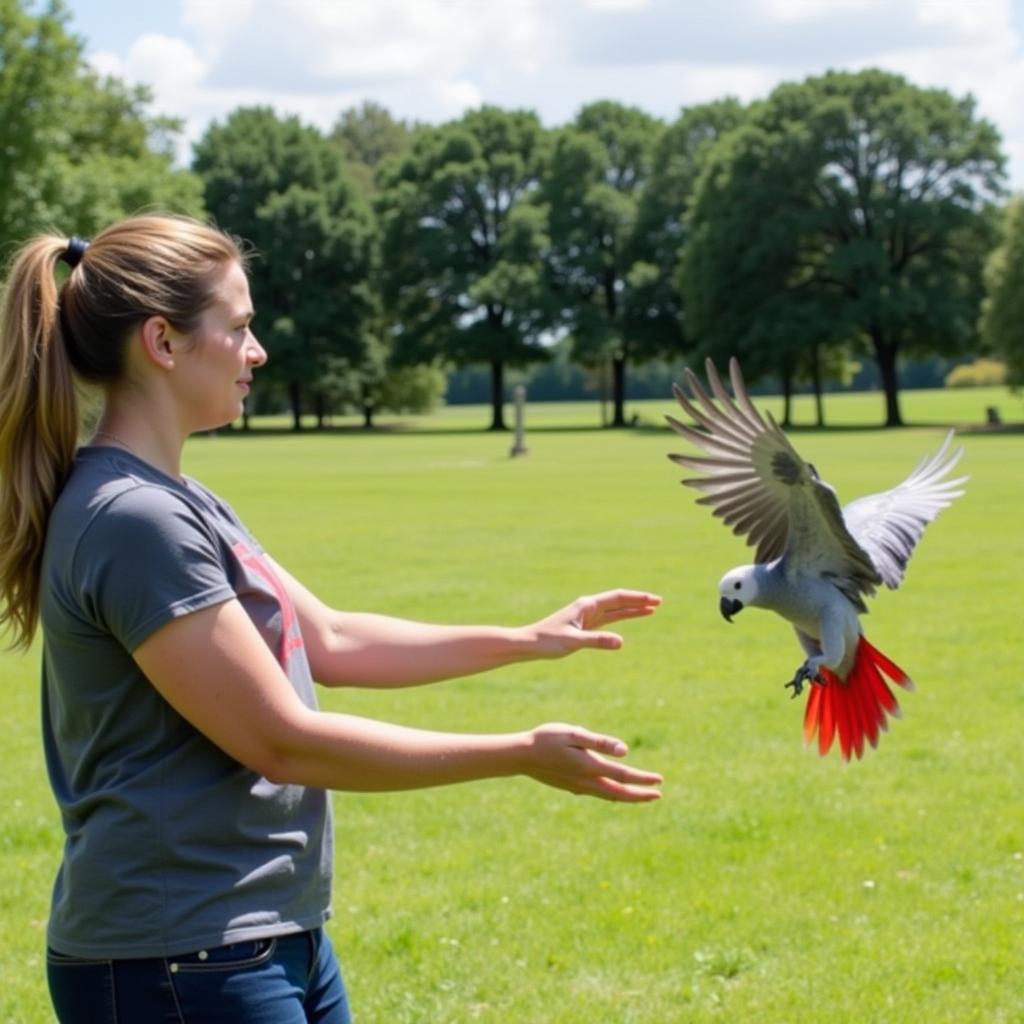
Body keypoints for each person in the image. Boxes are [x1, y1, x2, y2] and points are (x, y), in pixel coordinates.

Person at [0, 214, 663, 1023]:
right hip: (176, 955)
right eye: (240, 328)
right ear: (163, 343)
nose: (259, 351)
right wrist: (516, 753)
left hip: (263, 937)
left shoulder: (185, 501)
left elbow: (332, 639)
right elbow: (282, 740)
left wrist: (526, 640)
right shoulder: (134, 518)